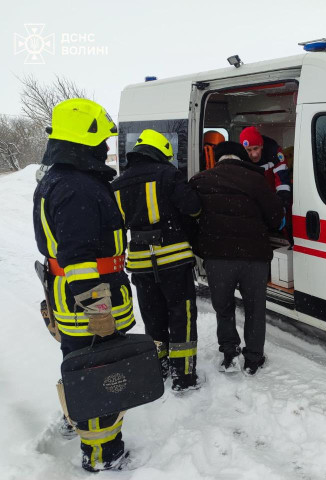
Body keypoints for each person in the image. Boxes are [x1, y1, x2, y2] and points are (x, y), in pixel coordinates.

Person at [33, 98, 134, 472]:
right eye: (100, 142)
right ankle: (103, 454)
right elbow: (78, 259)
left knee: (80, 368)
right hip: (89, 306)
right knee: (99, 377)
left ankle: (79, 418)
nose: (105, 148)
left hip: (78, 302)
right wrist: (99, 312)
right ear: (83, 141)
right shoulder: (77, 187)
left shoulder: (63, 180)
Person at [111, 129, 202, 391]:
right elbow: (193, 207)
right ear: (162, 152)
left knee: (153, 317)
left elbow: (116, 226)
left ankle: (159, 366)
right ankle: (184, 375)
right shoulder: (168, 174)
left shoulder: (118, 184)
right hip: (174, 260)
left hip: (140, 264)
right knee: (182, 315)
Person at [189, 141, 284, 375]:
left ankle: (230, 353)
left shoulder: (200, 181)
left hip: (218, 259)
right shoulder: (256, 179)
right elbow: (275, 217)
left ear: (217, 158)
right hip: (254, 258)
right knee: (254, 309)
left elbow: (188, 219)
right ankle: (253, 359)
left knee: (224, 308)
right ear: (242, 158)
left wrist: (203, 248)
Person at [239, 126, 291, 204]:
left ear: (261, 145)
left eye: (256, 148)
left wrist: (281, 203)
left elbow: (283, 181)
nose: (254, 154)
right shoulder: (240, 158)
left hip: (274, 197)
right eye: (249, 150)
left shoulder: (274, 153)